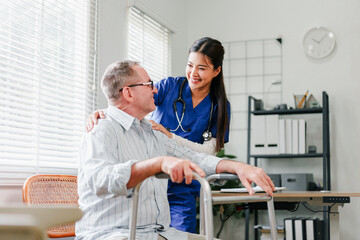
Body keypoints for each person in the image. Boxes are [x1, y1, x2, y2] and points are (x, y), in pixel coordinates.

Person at [76, 60, 275, 240]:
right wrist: (157, 164)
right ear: (128, 93)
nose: (155, 90)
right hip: (113, 234)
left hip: (158, 233)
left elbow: (194, 157)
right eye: (149, 85)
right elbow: (100, 180)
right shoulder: (101, 129)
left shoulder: (151, 132)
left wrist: (237, 167)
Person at [86, 37, 231, 233]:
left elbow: (205, 153)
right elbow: (128, 100)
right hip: (148, 177)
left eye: (202, 68)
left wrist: (169, 136)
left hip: (181, 183)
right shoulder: (170, 87)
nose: (193, 73)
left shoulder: (220, 107)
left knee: (180, 230)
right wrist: (103, 113)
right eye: (190, 65)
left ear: (216, 71)